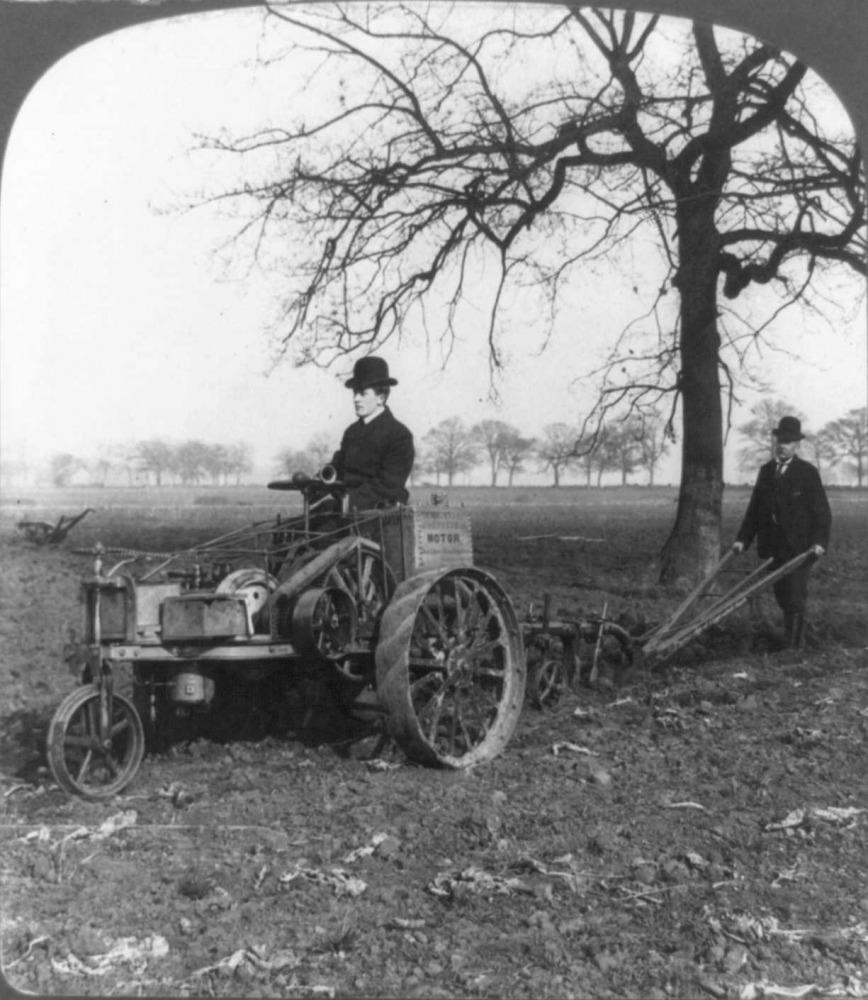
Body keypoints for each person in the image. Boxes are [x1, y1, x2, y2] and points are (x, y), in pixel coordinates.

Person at [731, 415, 831, 649]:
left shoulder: (807, 472)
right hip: (773, 548)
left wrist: (819, 542)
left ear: (797, 445)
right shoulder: (766, 471)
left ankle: (793, 649)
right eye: (780, 441)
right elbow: (754, 509)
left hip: (799, 549)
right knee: (782, 597)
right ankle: (793, 641)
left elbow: (822, 513)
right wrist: (742, 540)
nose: (782, 446)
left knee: (794, 597)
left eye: (787, 442)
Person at [330, 356, 415, 510]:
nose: (356, 399)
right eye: (355, 393)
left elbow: (388, 486)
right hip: (345, 508)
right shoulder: (351, 432)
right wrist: (316, 482)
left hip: (376, 514)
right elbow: (337, 469)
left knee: (315, 533)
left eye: (363, 394)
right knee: (291, 530)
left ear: (381, 398)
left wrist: (347, 503)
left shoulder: (399, 435)